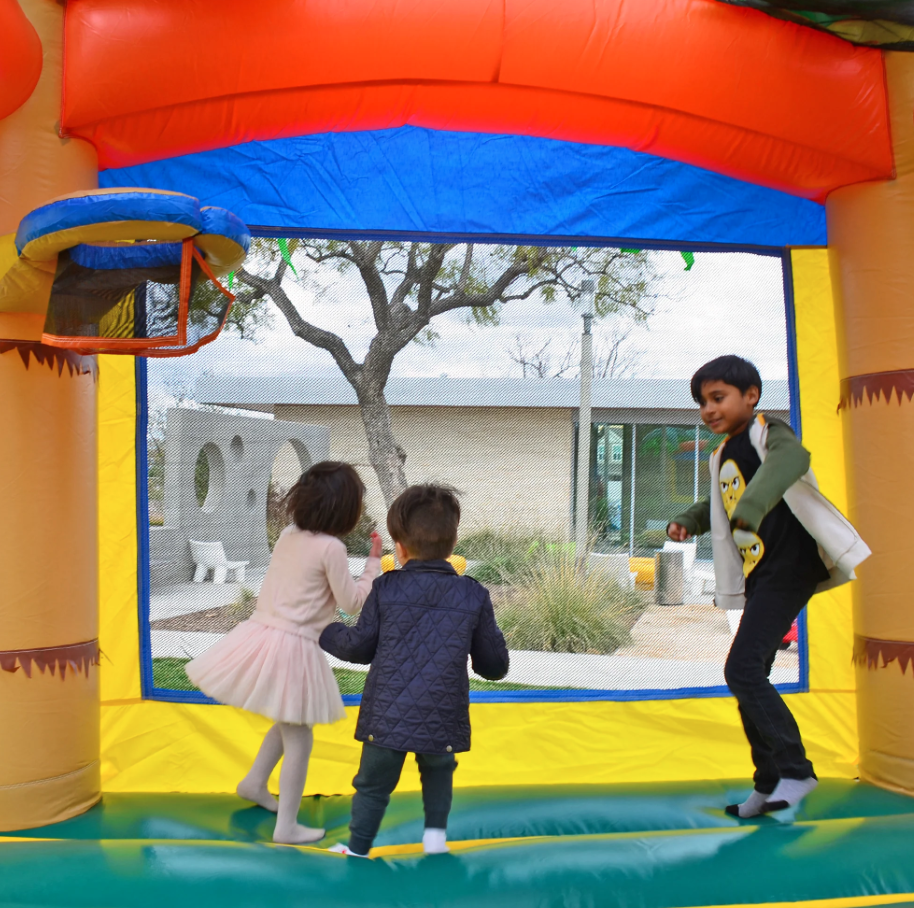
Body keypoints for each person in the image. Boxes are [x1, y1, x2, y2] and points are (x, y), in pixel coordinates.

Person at [667, 355, 869, 818]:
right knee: (747, 672)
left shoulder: (767, 432)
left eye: (718, 398)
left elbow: (792, 461)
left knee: (741, 670)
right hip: (761, 574)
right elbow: (720, 502)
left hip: (790, 566)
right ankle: (769, 781)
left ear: (750, 396)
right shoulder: (722, 454)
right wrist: (688, 521)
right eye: (702, 402)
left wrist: (755, 505)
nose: (708, 409)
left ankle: (795, 770)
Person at [186, 461, 381, 844]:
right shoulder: (331, 548)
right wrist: (372, 565)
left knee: (286, 718)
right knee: (300, 735)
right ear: (346, 510)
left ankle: (254, 783)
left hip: (261, 634)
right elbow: (352, 602)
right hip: (292, 647)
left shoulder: (290, 534)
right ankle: (287, 826)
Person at [320, 484, 509, 857]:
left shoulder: (387, 588)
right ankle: (435, 842)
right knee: (438, 772)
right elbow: (494, 667)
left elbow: (359, 648)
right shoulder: (473, 594)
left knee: (373, 785)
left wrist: (323, 630)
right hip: (443, 714)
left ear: (400, 548)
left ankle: (357, 849)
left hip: (387, 715)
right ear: (452, 546)